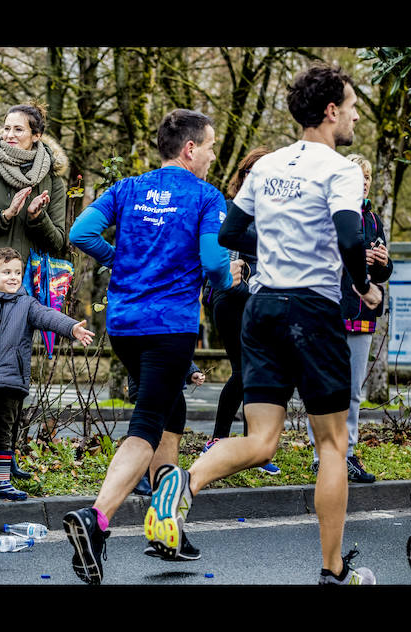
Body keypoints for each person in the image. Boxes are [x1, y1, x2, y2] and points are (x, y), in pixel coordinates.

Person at [158, 62, 382, 585]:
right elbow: (352, 239)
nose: (352, 117)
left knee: (261, 442)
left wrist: (280, 249)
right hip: (311, 311)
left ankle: (182, 486)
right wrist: (364, 286)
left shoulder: (268, 166)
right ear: (330, 111)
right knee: (331, 445)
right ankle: (331, 571)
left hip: (262, 311)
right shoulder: (341, 167)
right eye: (350, 108)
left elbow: (234, 233)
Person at [63, 109, 243, 584]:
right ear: (189, 149)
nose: (210, 156)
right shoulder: (206, 197)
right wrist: (229, 275)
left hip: (124, 324)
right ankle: (96, 520)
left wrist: (119, 259)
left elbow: (80, 233)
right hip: (169, 325)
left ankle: (167, 529)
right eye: (208, 148)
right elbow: (212, 259)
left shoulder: (127, 189)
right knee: (146, 425)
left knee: (170, 414)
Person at [0, 101, 70, 479]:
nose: (8, 135)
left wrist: (35, 219)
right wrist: (5, 215)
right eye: (5, 128)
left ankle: (6, 458)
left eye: (18, 129)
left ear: (36, 136)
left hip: (25, 288)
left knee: (12, 373)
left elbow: (58, 244)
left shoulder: (51, 178)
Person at [0, 247, 94, 502]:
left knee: (5, 432)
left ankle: (1, 481)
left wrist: (72, 329)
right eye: (6, 272)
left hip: (12, 381)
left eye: (17, 272)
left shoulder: (27, 305)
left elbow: (49, 317)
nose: (14, 277)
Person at [306, 153, 392, 483]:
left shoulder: (372, 219)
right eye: (360, 175)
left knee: (354, 390)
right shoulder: (328, 214)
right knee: (327, 387)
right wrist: (352, 260)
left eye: (368, 176)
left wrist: (381, 262)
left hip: (363, 313)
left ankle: (348, 454)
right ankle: (320, 456)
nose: (365, 181)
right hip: (329, 309)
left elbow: (383, 273)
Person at [200, 147, 281, 475]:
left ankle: (252, 446)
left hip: (263, 301)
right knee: (245, 369)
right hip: (231, 297)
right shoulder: (231, 209)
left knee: (256, 372)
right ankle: (219, 440)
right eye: (254, 172)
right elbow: (224, 252)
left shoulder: (276, 215)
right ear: (244, 176)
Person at [131, 361, 204, 498]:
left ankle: (159, 481)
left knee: (171, 427)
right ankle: (140, 476)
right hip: (152, 380)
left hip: (171, 380)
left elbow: (178, 347)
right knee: (151, 432)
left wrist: (191, 371)